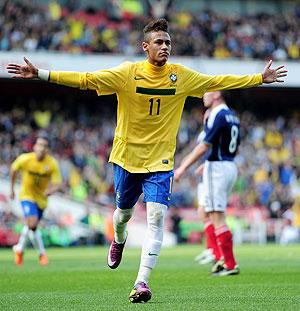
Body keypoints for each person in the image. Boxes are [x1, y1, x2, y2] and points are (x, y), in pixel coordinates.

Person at [6, 18, 287, 302]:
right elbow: (85, 80)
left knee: (156, 217)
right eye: (159, 42)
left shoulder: (181, 76)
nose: (165, 47)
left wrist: (258, 79)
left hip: (161, 162)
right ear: (145, 47)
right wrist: (40, 73)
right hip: (127, 158)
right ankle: (119, 238)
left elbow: (217, 81)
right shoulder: (128, 73)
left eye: (168, 42)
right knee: (123, 216)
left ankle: (141, 282)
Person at [175, 90, 242, 276]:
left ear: (217, 94)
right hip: (229, 165)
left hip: (218, 168)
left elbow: (204, 145)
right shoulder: (232, 116)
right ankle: (222, 258)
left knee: (216, 216)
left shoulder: (217, 114)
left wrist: (182, 168)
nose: (203, 95)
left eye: (207, 92)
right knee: (211, 213)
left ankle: (229, 263)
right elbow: (235, 148)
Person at [10, 135, 62, 266]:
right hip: (27, 196)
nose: (41, 148)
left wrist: (51, 190)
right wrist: (11, 189)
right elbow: (13, 169)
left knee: (32, 226)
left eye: (44, 146)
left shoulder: (51, 164)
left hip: (42, 200)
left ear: (47, 149)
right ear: (34, 147)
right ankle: (42, 254)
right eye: (39, 145)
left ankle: (19, 249)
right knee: (32, 224)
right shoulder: (25, 159)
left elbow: (57, 183)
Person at [193, 108, 222, 266]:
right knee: (204, 213)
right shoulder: (204, 132)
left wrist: (206, 164)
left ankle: (215, 251)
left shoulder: (213, 131)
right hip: (203, 177)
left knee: (208, 213)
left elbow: (213, 150)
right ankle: (211, 248)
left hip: (210, 174)